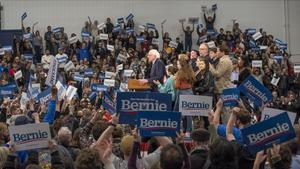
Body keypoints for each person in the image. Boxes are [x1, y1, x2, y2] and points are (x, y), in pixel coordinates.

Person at [174, 56, 196, 132]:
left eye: (178, 64)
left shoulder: (180, 73)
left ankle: (178, 129)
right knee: (189, 113)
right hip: (190, 92)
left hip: (181, 93)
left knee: (177, 112)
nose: (177, 65)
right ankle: (189, 131)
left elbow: (176, 86)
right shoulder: (191, 71)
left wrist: (175, 80)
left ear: (181, 65)